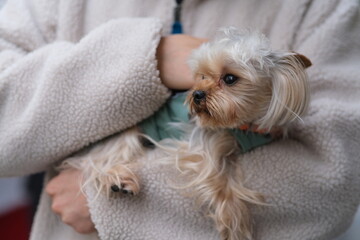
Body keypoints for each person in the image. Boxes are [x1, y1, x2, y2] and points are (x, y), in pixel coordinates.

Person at [0, 0, 359, 239]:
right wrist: (150, 58)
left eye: (229, 80)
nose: (199, 92)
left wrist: (116, 203)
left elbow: (336, 177)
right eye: (200, 78)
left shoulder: (324, 9)